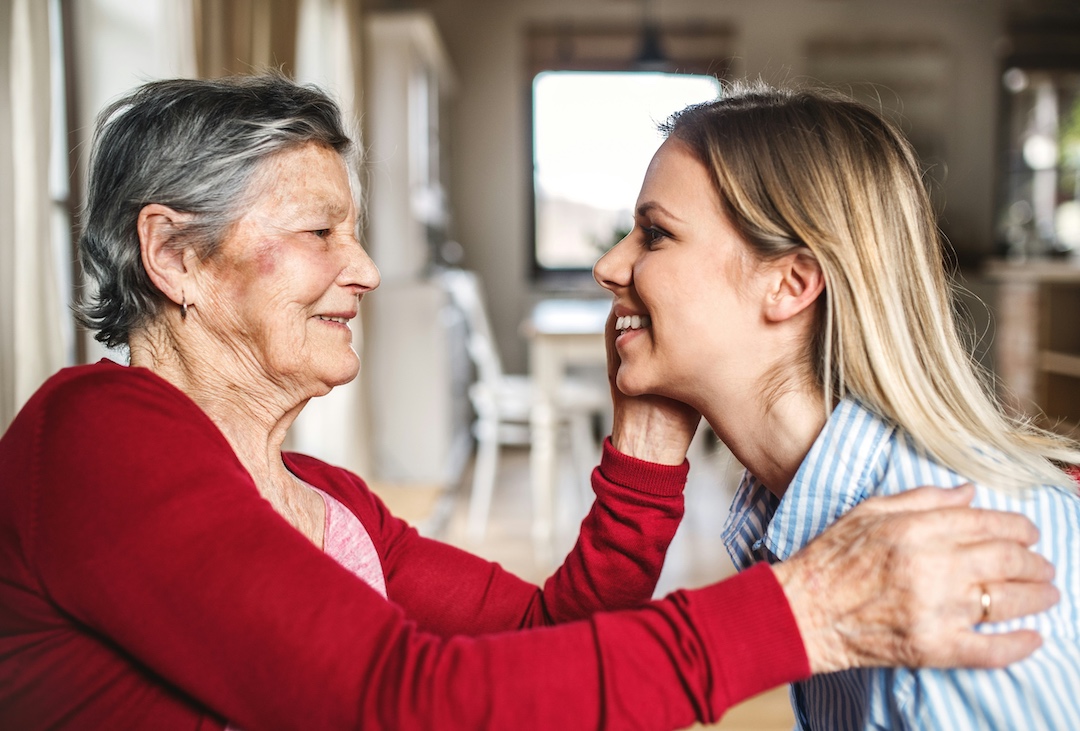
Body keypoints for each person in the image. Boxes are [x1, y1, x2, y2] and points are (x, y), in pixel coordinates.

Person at [0, 74, 1058, 731]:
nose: (364, 269)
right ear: (174, 254)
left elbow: (548, 639)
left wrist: (645, 447)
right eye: (321, 232)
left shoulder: (326, 500)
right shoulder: (91, 433)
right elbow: (396, 699)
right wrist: (806, 612)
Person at [593, 81, 1080, 729]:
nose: (608, 265)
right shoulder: (806, 510)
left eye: (654, 234)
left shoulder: (952, 563)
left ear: (791, 282)